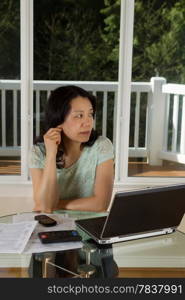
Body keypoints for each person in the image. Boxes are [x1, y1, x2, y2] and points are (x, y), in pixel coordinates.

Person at [29, 85, 114, 213]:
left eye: (90, 114)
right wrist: (51, 154)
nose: (88, 122)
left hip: (90, 225)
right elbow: (45, 207)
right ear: (58, 119)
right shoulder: (38, 152)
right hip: (52, 225)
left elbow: (100, 205)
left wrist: (56, 205)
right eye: (79, 116)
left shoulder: (102, 146)